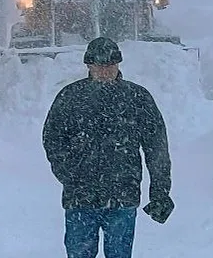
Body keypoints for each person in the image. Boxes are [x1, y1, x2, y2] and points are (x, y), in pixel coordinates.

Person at [42, 37, 175, 258]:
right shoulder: (71, 97)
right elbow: (52, 139)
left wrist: (160, 192)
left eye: (110, 66)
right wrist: (69, 173)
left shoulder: (137, 98)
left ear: (118, 65)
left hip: (123, 195)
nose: (105, 71)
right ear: (89, 66)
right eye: (100, 66)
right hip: (80, 198)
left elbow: (156, 147)